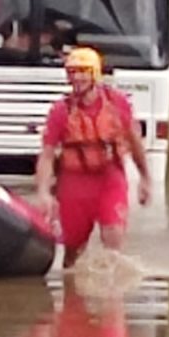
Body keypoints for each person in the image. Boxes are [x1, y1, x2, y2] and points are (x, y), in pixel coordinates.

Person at [34, 47, 151, 269]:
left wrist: (145, 178)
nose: (76, 78)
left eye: (82, 71)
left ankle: (112, 297)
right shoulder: (60, 111)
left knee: (113, 240)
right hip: (74, 185)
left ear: (94, 73)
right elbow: (47, 154)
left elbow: (134, 142)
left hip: (110, 179)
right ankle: (73, 299)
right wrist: (43, 192)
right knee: (72, 254)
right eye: (72, 72)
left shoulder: (117, 104)